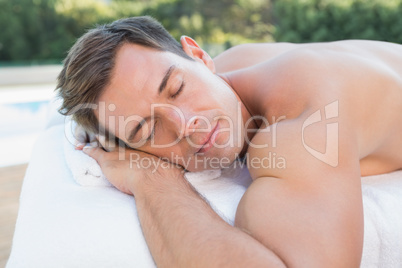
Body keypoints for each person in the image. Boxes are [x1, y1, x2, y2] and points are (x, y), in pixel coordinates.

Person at [57, 16, 402, 267]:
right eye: (146, 131)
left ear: (200, 56)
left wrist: (149, 178)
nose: (184, 126)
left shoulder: (300, 125)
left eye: (177, 89)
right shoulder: (229, 69)